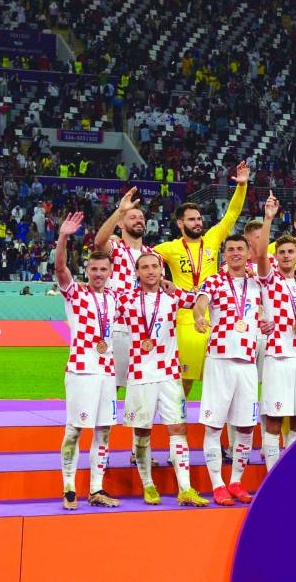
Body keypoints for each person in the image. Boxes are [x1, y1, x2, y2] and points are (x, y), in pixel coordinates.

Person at [115, 252, 209, 506]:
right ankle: (148, 485)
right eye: (144, 267)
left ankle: (185, 489)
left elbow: (201, 296)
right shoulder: (125, 300)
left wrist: (196, 311)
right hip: (140, 375)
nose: (150, 271)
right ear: (137, 273)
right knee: (142, 431)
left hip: (169, 374)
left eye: (154, 266)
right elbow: (100, 311)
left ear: (161, 270)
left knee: (178, 429)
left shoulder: (173, 296)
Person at [154, 161, 249, 396]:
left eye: (198, 219)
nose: (198, 223)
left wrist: (241, 187)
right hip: (184, 319)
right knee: (183, 381)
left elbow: (232, 214)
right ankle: (177, 418)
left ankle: (211, 417)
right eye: (192, 219)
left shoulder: (213, 239)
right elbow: (142, 259)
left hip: (215, 317)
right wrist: (161, 280)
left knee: (216, 379)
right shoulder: (169, 248)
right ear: (180, 223)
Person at [55, 212, 120, 509]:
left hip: (107, 372)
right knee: (75, 430)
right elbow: (60, 268)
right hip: (82, 371)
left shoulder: (115, 298)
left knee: (104, 430)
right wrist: (63, 237)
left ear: (110, 271)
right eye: (93, 269)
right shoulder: (75, 293)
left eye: (103, 269)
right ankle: (69, 487)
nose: (98, 274)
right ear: (87, 270)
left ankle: (96, 489)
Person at [192, 234, 263, 506]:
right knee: (213, 425)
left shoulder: (258, 283)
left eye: (240, 249)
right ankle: (217, 484)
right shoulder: (214, 281)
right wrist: (199, 316)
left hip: (247, 362)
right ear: (224, 254)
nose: (235, 253)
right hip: (219, 359)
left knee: (246, 426)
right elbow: (200, 303)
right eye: (230, 249)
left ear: (248, 253)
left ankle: (235, 481)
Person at [93, 186, 160, 464]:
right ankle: (102, 453)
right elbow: (99, 241)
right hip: (117, 330)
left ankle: (138, 453)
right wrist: (119, 210)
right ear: (121, 223)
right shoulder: (115, 248)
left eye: (141, 217)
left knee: (142, 394)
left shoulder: (152, 255)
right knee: (109, 392)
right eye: (132, 217)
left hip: (142, 334)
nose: (139, 220)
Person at [254, 193, 296, 469]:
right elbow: (260, 253)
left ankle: (289, 470)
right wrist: (268, 219)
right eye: (282, 252)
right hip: (277, 355)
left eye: (290, 252)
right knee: (275, 418)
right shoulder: (269, 279)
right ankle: (271, 474)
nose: (286, 256)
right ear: (276, 257)